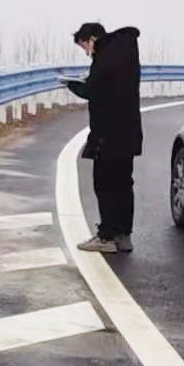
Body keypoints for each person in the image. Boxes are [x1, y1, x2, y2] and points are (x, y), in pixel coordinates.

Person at [62, 22, 142, 253]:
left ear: (92, 39)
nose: (88, 52)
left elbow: (95, 92)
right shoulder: (127, 54)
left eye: (85, 47)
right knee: (124, 184)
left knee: (105, 184)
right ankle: (123, 236)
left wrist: (72, 85)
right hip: (128, 132)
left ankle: (106, 237)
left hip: (107, 133)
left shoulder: (104, 58)